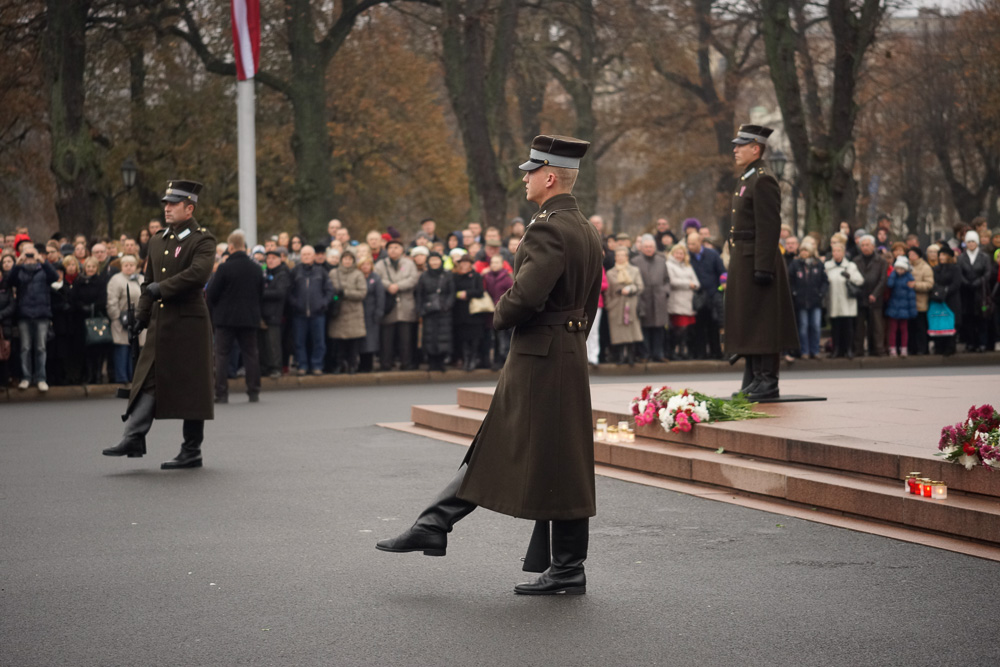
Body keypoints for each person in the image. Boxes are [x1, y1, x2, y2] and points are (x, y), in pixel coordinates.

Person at [376, 134, 603, 595]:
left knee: (527, 452)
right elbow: (587, 300)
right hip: (565, 352)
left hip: (540, 355)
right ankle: (438, 524)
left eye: (530, 170)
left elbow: (525, 296)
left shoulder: (548, 228)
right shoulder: (583, 227)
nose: (524, 177)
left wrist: (497, 313)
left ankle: (440, 524)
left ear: (550, 176)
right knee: (554, 457)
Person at [102, 179, 216, 469]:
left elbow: (198, 274)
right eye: (165, 203)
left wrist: (160, 290)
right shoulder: (158, 240)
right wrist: (141, 316)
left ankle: (192, 450)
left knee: (193, 388)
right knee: (148, 379)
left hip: (189, 324)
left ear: (189, 208)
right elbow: (148, 282)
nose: (167, 208)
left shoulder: (202, 240)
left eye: (173, 204)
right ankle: (134, 436)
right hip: (161, 322)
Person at [725, 124, 799, 400]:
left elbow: (769, 227)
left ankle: (767, 380)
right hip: (745, 257)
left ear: (755, 148)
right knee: (750, 321)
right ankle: (755, 378)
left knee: (764, 322)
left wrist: (763, 266)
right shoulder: (748, 178)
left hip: (758, 259)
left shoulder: (762, 179)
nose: (735, 149)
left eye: (740, 145)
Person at [207, 231, 264, 403]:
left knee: (222, 355)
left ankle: (221, 393)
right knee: (251, 354)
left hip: (226, 319)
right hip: (249, 318)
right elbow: (260, 293)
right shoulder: (256, 268)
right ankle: (253, 391)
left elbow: (211, 292)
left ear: (231, 247)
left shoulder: (224, 268)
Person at [8, 244, 59, 391]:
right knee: (25, 348)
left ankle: (41, 378)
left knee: (41, 347)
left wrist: (42, 260)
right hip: (24, 314)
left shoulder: (43, 270)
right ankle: (26, 377)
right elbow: (10, 281)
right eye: (27, 255)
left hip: (42, 314)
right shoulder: (20, 271)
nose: (30, 258)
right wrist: (18, 264)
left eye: (32, 255)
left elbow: (54, 276)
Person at [374, 238, 418, 371]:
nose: (393, 250)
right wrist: (389, 286)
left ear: (402, 250)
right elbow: (377, 278)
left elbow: (413, 279)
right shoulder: (380, 264)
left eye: (396, 247)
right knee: (386, 339)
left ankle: (406, 363)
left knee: (406, 339)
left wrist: (398, 286)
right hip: (388, 306)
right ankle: (386, 363)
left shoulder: (409, 264)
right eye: (391, 247)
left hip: (406, 305)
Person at [289, 245, 333, 375]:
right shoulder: (295, 271)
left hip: (318, 314)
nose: (306, 257)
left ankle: (317, 365)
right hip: (299, 314)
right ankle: (302, 365)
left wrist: (323, 303)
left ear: (313, 256)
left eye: (309, 254)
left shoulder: (321, 271)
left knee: (319, 342)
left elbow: (330, 291)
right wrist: (295, 303)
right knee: (299, 342)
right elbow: (289, 291)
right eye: (304, 255)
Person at [105, 255, 146, 383]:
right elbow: (112, 301)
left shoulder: (141, 279)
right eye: (126, 265)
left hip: (138, 320)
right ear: (122, 266)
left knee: (135, 350)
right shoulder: (116, 280)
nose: (129, 267)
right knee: (122, 349)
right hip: (121, 320)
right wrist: (116, 317)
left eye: (131, 265)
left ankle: (133, 379)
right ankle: (121, 379)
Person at [687, 231, 726, 360]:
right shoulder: (688, 257)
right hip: (697, 296)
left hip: (712, 294)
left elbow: (722, 273)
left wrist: (720, 289)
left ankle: (716, 352)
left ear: (700, 242)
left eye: (693, 244)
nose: (690, 246)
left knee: (713, 325)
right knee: (698, 327)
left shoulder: (712, 255)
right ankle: (700, 353)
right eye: (688, 243)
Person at [631, 234, 670, 361]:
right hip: (643, 298)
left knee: (659, 328)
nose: (649, 249)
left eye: (651, 246)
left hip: (659, 298)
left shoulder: (661, 260)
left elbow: (667, 279)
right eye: (646, 247)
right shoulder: (635, 261)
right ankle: (645, 354)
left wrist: (665, 291)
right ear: (641, 248)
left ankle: (658, 354)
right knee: (645, 328)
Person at [327, 249, 367, 374]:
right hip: (338, 312)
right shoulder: (333, 273)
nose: (347, 261)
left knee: (353, 342)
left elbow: (362, 293)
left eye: (350, 259)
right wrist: (335, 296)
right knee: (339, 342)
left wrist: (346, 293)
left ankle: (352, 364)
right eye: (345, 259)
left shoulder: (358, 274)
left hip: (353, 313)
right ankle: (339, 364)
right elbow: (328, 289)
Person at [415, 251, 454, 372]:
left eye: (437, 260)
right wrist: (420, 309)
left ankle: (441, 362)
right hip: (428, 311)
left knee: (443, 337)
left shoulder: (447, 275)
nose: (434, 262)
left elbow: (452, 292)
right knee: (429, 337)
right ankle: (431, 362)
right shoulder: (424, 276)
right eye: (432, 260)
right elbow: (419, 294)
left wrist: (447, 306)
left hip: (444, 311)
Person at [789, 240, 828, 360]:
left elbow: (824, 281)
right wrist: (795, 293)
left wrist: (821, 293)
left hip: (815, 300)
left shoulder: (818, 264)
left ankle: (815, 350)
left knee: (815, 326)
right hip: (801, 301)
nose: (804, 253)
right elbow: (790, 280)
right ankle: (804, 351)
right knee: (804, 326)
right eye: (802, 250)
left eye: (806, 250)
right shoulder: (795, 264)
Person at [824, 243, 863, 359]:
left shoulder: (850, 266)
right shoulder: (827, 266)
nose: (836, 253)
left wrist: (849, 276)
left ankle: (848, 350)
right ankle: (836, 350)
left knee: (848, 328)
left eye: (838, 251)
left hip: (847, 303)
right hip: (834, 302)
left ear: (843, 252)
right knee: (835, 328)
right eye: (834, 251)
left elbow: (860, 280)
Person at [605, 246, 644, 364]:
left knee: (631, 330)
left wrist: (631, 289)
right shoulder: (610, 272)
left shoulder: (634, 270)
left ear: (627, 257)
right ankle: (621, 356)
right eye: (618, 255)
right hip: (616, 306)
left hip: (630, 305)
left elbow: (640, 286)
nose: (620, 258)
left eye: (623, 255)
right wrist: (609, 305)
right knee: (619, 332)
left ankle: (631, 356)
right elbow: (608, 291)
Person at [957, 230, 992, 352]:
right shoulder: (961, 257)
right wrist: (966, 282)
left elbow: (988, 273)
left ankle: (982, 343)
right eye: (969, 241)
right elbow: (959, 272)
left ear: (977, 242)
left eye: (973, 241)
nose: (971, 244)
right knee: (968, 319)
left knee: (981, 318)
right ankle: (970, 342)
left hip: (980, 293)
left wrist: (978, 282)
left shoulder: (984, 257)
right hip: (966, 293)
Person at [450, 254, 487, 371]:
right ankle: (466, 359)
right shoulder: (455, 276)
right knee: (463, 338)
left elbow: (480, 291)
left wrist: (467, 293)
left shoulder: (476, 276)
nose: (464, 265)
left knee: (475, 338)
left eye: (467, 262)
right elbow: (451, 291)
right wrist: (458, 295)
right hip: (460, 311)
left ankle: (472, 359)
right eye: (462, 262)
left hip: (474, 312)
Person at [853, 235, 888, 357]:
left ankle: (878, 349)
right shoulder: (856, 261)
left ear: (873, 246)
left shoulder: (881, 261)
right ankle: (858, 350)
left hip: (875, 298)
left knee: (876, 326)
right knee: (859, 327)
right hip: (860, 297)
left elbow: (883, 280)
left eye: (867, 245)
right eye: (862, 245)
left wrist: (875, 294)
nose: (865, 247)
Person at [665, 243, 700, 360]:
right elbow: (672, 281)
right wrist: (688, 283)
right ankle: (673, 350)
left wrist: (691, 284)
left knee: (687, 329)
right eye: (677, 253)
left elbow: (696, 283)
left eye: (681, 253)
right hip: (676, 301)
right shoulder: (669, 265)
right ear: (673, 254)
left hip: (688, 302)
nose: (679, 255)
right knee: (678, 328)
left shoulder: (687, 266)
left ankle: (682, 350)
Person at [260, 250, 291, 378]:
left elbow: (280, 293)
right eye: (268, 258)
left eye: (273, 258)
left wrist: (261, 293)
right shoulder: (266, 273)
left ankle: (276, 368)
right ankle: (266, 367)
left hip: (275, 313)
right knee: (264, 344)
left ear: (280, 259)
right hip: (264, 314)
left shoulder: (282, 274)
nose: (270, 260)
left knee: (274, 344)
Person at [482, 254, 514, 370]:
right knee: (494, 338)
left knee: (504, 338)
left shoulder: (506, 277)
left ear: (502, 264)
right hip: (490, 312)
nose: (494, 265)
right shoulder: (486, 277)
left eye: (497, 262)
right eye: (492, 263)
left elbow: (512, 294)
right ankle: (496, 360)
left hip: (503, 312)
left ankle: (504, 360)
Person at [930, 245, 961, 355]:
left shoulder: (955, 269)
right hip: (938, 300)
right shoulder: (935, 269)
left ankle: (950, 347)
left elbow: (956, 284)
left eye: (944, 255)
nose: (941, 257)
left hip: (951, 300)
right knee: (939, 321)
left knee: (950, 323)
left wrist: (946, 291)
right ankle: (939, 346)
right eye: (940, 255)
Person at [885, 256, 917, 357]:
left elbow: (911, 296)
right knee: (893, 329)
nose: (899, 271)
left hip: (905, 307)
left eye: (901, 268)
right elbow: (889, 284)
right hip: (894, 306)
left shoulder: (909, 278)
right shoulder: (893, 276)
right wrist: (893, 274)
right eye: (897, 268)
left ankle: (904, 348)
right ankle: (892, 348)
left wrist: (912, 310)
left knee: (904, 329)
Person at [358, 256, 385, 373]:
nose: (365, 267)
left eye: (367, 264)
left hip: (371, 312)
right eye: (363, 265)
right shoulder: (357, 277)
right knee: (360, 340)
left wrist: (379, 311)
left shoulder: (376, 278)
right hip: (358, 313)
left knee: (370, 340)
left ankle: (368, 364)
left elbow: (380, 296)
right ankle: (359, 363)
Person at [906, 247, 934, 355]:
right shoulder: (907, 266)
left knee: (921, 328)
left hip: (921, 303)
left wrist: (915, 285)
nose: (911, 256)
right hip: (909, 304)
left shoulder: (925, 267)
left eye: (913, 254)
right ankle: (912, 349)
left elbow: (929, 284)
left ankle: (923, 349)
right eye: (909, 254)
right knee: (910, 328)